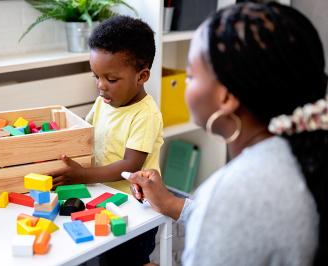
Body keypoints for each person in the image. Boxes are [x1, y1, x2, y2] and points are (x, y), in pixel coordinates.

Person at [128, 1, 328, 265]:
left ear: (225, 97)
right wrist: (173, 204)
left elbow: (236, 211)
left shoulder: (234, 193)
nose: (186, 83)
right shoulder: (308, 151)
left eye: (190, 75)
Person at [51, 16, 163, 266]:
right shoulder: (105, 100)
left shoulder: (145, 115)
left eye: (111, 79)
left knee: (130, 260)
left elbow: (130, 165)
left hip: (134, 208)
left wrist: (82, 175)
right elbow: (85, 130)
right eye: (96, 76)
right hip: (102, 195)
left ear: (142, 76)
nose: (101, 86)